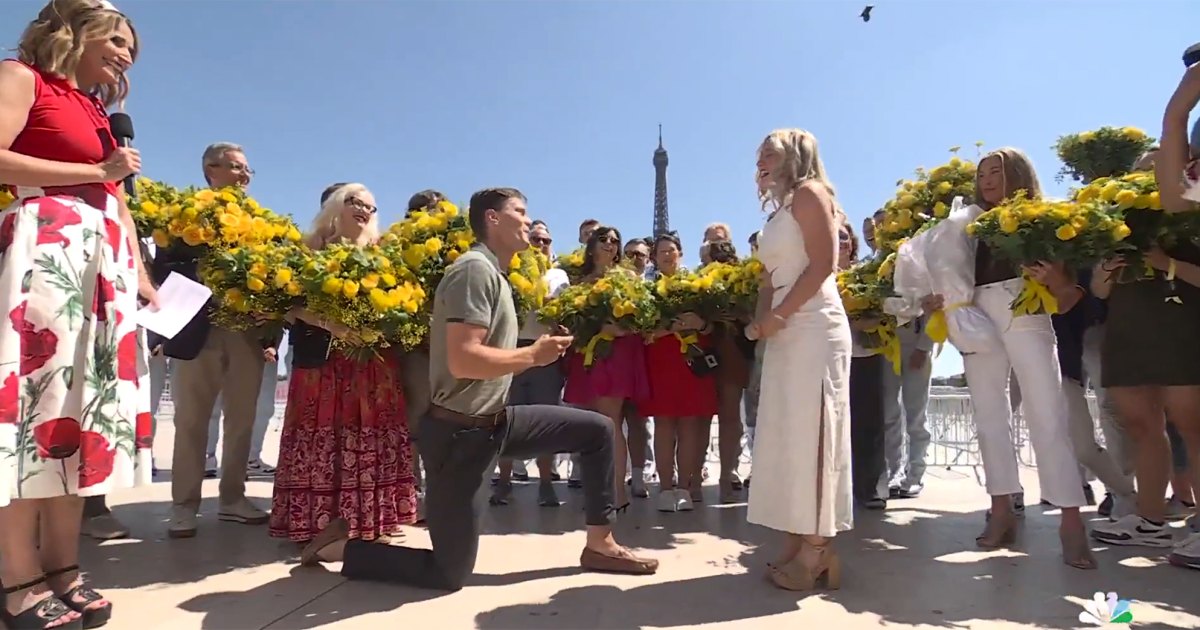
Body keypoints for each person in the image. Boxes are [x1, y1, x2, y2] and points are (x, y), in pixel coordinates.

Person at [299, 187, 658, 590]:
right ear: (492, 218)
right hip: (460, 434)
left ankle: (601, 543)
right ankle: (343, 548)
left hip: (496, 422)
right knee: (448, 573)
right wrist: (533, 357)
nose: (528, 220)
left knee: (596, 430)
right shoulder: (473, 270)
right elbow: (464, 359)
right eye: (519, 212)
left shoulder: (498, 275)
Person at [0, 1, 155, 627]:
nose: (124, 55)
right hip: (44, 248)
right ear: (74, 32)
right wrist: (95, 168)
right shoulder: (20, 78)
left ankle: (63, 565)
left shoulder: (97, 114)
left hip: (104, 268)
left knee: (83, 416)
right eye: (116, 41)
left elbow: (114, 197)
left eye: (130, 50)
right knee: (34, 412)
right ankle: (17, 576)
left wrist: (143, 280)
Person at [154, 141, 281, 538]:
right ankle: (184, 505)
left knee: (241, 420)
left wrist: (271, 330)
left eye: (248, 169)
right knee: (191, 420)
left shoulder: (262, 224)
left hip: (245, 332)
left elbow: (278, 278)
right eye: (237, 167)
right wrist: (204, 272)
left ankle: (232, 499)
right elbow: (162, 271)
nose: (245, 175)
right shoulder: (184, 218)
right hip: (198, 330)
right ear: (211, 169)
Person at [746, 128, 852, 591]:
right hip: (786, 328)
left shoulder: (811, 194)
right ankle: (795, 536)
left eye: (772, 149)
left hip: (812, 323)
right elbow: (770, 278)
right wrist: (761, 322)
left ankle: (817, 550)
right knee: (788, 434)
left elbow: (825, 262)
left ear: (796, 154)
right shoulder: (778, 212)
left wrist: (781, 317)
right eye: (760, 151)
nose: (762, 157)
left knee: (815, 431)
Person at [490, 220, 570, 507]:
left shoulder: (559, 274)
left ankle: (546, 483)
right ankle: (505, 482)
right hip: (512, 348)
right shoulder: (510, 269)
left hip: (545, 351)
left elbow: (565, 314)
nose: (540, 245)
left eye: (546, 241)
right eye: (535, 239)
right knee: (507, 417)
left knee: (546, 418)